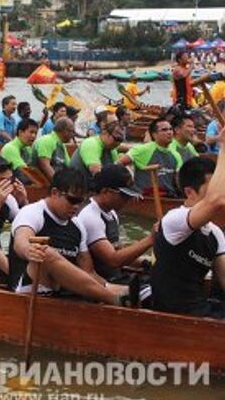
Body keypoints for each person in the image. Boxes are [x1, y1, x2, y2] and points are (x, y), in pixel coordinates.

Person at [10, 168, 131, 305]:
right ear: (55, 193)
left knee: (131, 292)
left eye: (81, 201)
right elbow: (21, 240)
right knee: (45, 252)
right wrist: (28, 250)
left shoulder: (77, 226)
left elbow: (89, 273)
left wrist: (118, 289)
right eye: (72, 200)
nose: (77, 206)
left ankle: (120, 298)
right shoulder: (32, 212)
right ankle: (113, 300)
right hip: (28, 294)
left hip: (62, 294)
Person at [151, 152, 225, 318]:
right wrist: (224, 147)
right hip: (173, 313)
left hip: (200, 309)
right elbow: (216, 200)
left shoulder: (215, 233)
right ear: (189, 192)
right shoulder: (174, 219)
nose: (219, 192)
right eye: (211, 188)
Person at [77, 165, 153, 286]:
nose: (128, 200)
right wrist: (151, 239)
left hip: (116, 277)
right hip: (101, 284)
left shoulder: (112, 213)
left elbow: (119, 251)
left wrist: (146, 263)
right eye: (124, 195)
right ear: (105, 191)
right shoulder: (90, 216)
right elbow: (113, 260)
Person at [118, 118, 181, 196]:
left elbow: (178, 182)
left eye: (171, 129)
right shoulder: (142, 149)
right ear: (154, 135)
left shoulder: (176, 155)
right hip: (146, 197)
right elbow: (118, 164)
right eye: (164, 130)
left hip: (168, 196)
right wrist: (129, 183)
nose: (169, 132)